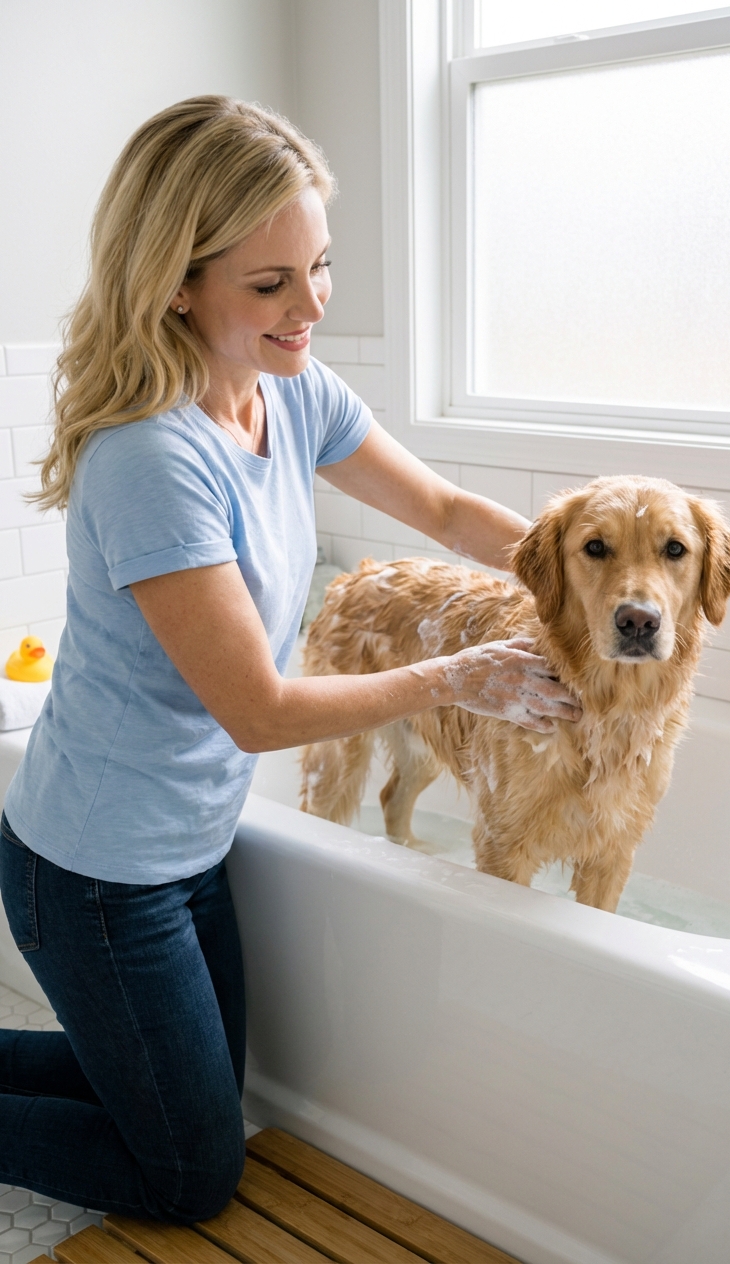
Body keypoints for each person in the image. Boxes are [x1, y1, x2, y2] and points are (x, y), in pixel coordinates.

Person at [0, 96, 580, 1222]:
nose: (311, 306)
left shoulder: (287, 387)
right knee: (188, 1174)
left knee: (178, 1098)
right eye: (270, 285)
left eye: (319, 266)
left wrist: (583, 582)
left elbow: (450, 509)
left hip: (188, 846)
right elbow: (259, 714)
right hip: (96, 874)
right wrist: (452, 678)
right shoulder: (150, 461)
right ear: (176, 281)